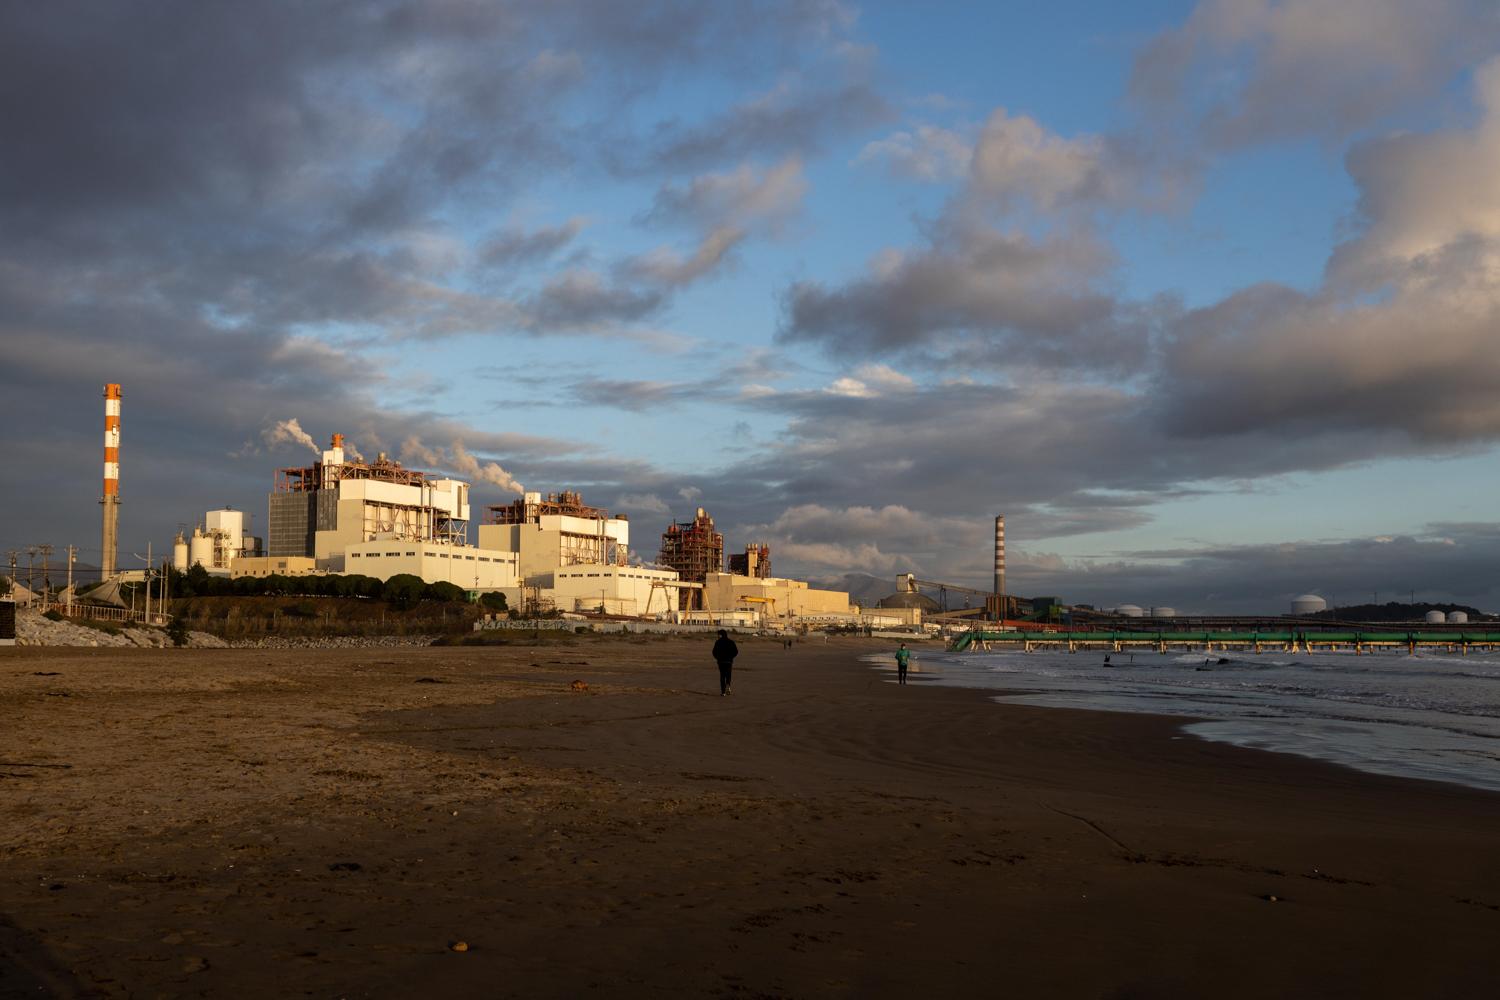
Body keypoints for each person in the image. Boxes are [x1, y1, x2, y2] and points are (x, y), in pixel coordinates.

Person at [712, 628, 739, 696]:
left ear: (721, 635)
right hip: (729, 661)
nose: (718, 636)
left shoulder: (718, 642)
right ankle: (728, 686)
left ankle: (723, 692)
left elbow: (714, 652)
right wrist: (731, 657)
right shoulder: (731, 642)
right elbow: (736, 651)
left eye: (718, 635)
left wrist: (718, 658)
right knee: (728, 675)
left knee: (722, 676)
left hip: (721, 662)